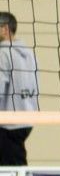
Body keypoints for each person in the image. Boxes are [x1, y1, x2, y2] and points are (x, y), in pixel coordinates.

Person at [0, 11, 39, 166]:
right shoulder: (29, 53)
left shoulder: (3, 53)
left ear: (5, 29)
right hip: (26, 119)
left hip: (7, 123)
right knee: (17, 164)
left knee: (10, 170)